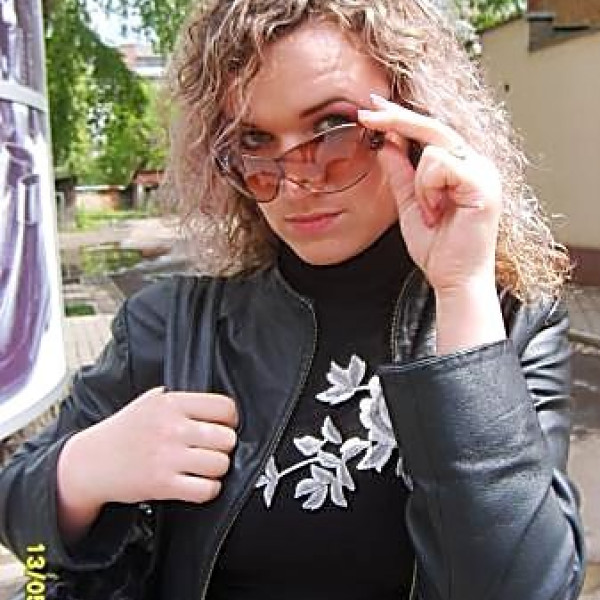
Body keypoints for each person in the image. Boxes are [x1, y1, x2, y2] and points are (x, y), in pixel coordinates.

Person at [0, 1, 586, 599]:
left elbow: (525, 589)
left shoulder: (508, 322)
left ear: (414, 119)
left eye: (331, 130)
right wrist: (83, 470)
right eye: (255, 141)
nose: (296, 182)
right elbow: (26, 534)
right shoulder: (171, 330)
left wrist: (462, 291)